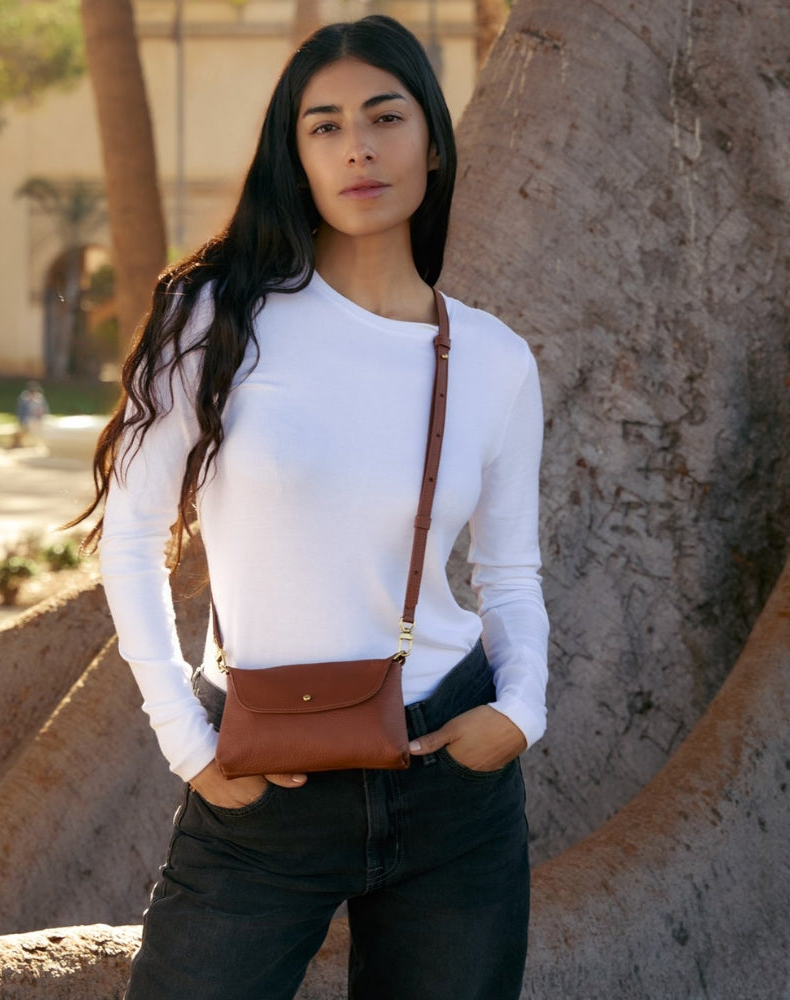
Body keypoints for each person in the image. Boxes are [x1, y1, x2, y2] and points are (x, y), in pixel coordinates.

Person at [76, 15, 548, 999]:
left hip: (449, 775)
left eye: (384, 116)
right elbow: (128, 533)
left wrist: (519, 710)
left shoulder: (496, 360)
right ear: (293, 157)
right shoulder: (216, 318)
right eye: (323, 126)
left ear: (433, 141)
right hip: (260, 780)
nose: (358, 147)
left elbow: (508, 570)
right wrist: (186, 745)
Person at [14, 380, 49, 445]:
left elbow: (45, 410)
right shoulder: (23, 399)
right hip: (27, 420)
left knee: (40, 425)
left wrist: (40, 413)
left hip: (38, 419)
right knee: (31, 425)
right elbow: (21, 412)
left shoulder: (40, 398)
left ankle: (38, 442)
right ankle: (32, 443)